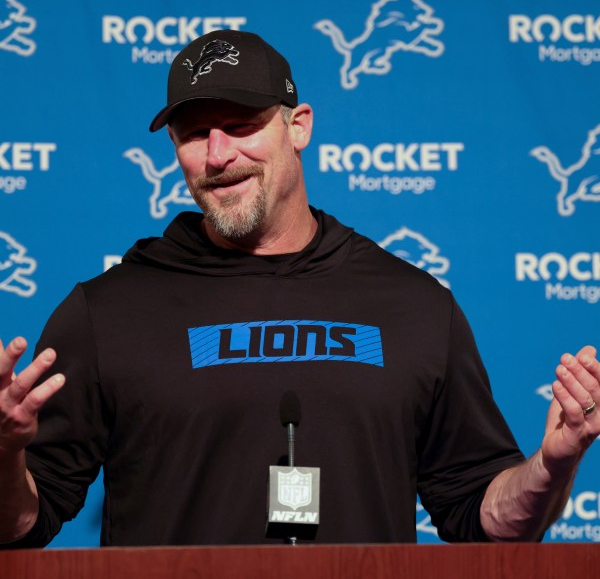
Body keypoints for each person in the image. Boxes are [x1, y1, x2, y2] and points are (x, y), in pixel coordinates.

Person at [1, 30, 599, 547]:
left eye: (240, 126)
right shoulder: (107, 311)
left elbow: (482, 517)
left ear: (299, 127)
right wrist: (4, 456)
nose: (217, 155)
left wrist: (554, 464)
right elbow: (24, 523)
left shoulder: (413, 305)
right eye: (193, 133)